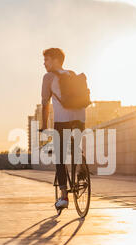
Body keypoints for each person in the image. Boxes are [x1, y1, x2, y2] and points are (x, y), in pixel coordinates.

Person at [40, 48, 85, 210]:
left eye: (46, 60)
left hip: (63, 121)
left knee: (59, 156)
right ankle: (81, 170)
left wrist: (44, 127)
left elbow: (45, 104)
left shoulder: (48, 77)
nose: (44, 63)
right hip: (80, 118)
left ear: (55, 60)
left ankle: (64, 196)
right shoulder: (71, 73)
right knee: (75, 147)